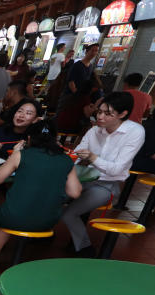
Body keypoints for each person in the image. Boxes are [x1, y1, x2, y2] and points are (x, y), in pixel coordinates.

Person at [0, 121, 83, 270]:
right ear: (55, 139)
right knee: (11, 212)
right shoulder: (66, 160)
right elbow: (75, 192)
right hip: (48, 221)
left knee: (5, 216)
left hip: (14, 217)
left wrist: (14, 156)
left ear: (29, 138)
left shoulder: (21, 155)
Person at [61, 92, 145, 255]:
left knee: (69, 214)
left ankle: (85, 249)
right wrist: (68, 156)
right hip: (81, 180)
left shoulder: (135, 132)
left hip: (107, 185)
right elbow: (76, 155)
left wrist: (93, 157)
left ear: (123, 114)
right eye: (99, 111)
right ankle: (40, 236)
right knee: (49, 199)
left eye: (107, 114)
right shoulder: (95, 131)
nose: (100, 117)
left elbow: (117, 169)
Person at [59, 44, 99, 110]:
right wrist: (77, 95)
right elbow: (71, 82)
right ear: (86, 52)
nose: (94, 53)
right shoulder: (77, 65)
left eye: (96, 51)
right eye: (92, 50)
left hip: (80, 97)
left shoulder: (90, 66)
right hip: (70, 97)